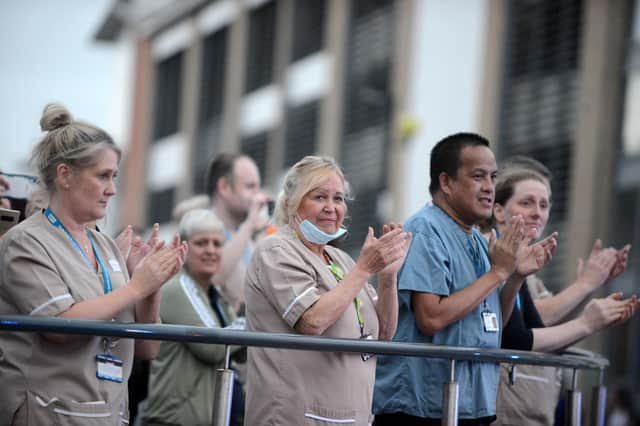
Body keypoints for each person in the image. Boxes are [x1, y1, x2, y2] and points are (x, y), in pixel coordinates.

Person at [0, 103, 186, 425]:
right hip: (49, 415)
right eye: (102, 176)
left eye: (114, 177)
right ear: (65, 175)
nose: (112, 189)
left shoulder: (106, 245)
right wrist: (135, 286)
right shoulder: (24, 242)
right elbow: (60, 327)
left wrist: (151, 286)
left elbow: (147, 349)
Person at [372, 133, 557, 425]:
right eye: (478, 176)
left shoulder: (479, 240)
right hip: (423, 409)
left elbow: (498, 322)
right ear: (446, 182)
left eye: (493, 178)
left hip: (470, 404)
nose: (489, 188)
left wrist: (514, 277)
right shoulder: (425, 229)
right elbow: (430, 318)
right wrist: (497, 272)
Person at [244, 155, 411, 425]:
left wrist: (388, 277)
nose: (331, 208)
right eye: (320, 197)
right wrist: (364, 269)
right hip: (295, 416)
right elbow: (312, 321)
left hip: (353, 416)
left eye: (339, 198)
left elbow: (384, 333)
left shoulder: (340, 259)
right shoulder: (275, 249)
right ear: (291, 203)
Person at [490, 161, 637, 426]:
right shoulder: (493, 260)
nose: (537, 213)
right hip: (504, 412)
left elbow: (539, 328)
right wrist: (586, 289)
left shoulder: (526, 272)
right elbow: (519, 334)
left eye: (544, 205)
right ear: (499, 211)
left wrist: (590, 288)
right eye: (527, 203)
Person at [142, 209, 243, 425]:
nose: (210, 250)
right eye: (201, 243)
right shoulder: (178, 287)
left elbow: (242, 352)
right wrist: (251, 323)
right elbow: (214, 346)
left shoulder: (216, 295)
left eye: (217, 244)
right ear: (184, 247)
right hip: (172, 421)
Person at [204, 153, 269, 312]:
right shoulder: (200, 228)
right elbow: (214, 278)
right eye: (250, 186)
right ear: (224, 187)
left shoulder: (242, 233)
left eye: (258, 187)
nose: (258, 196)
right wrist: (250, 224)